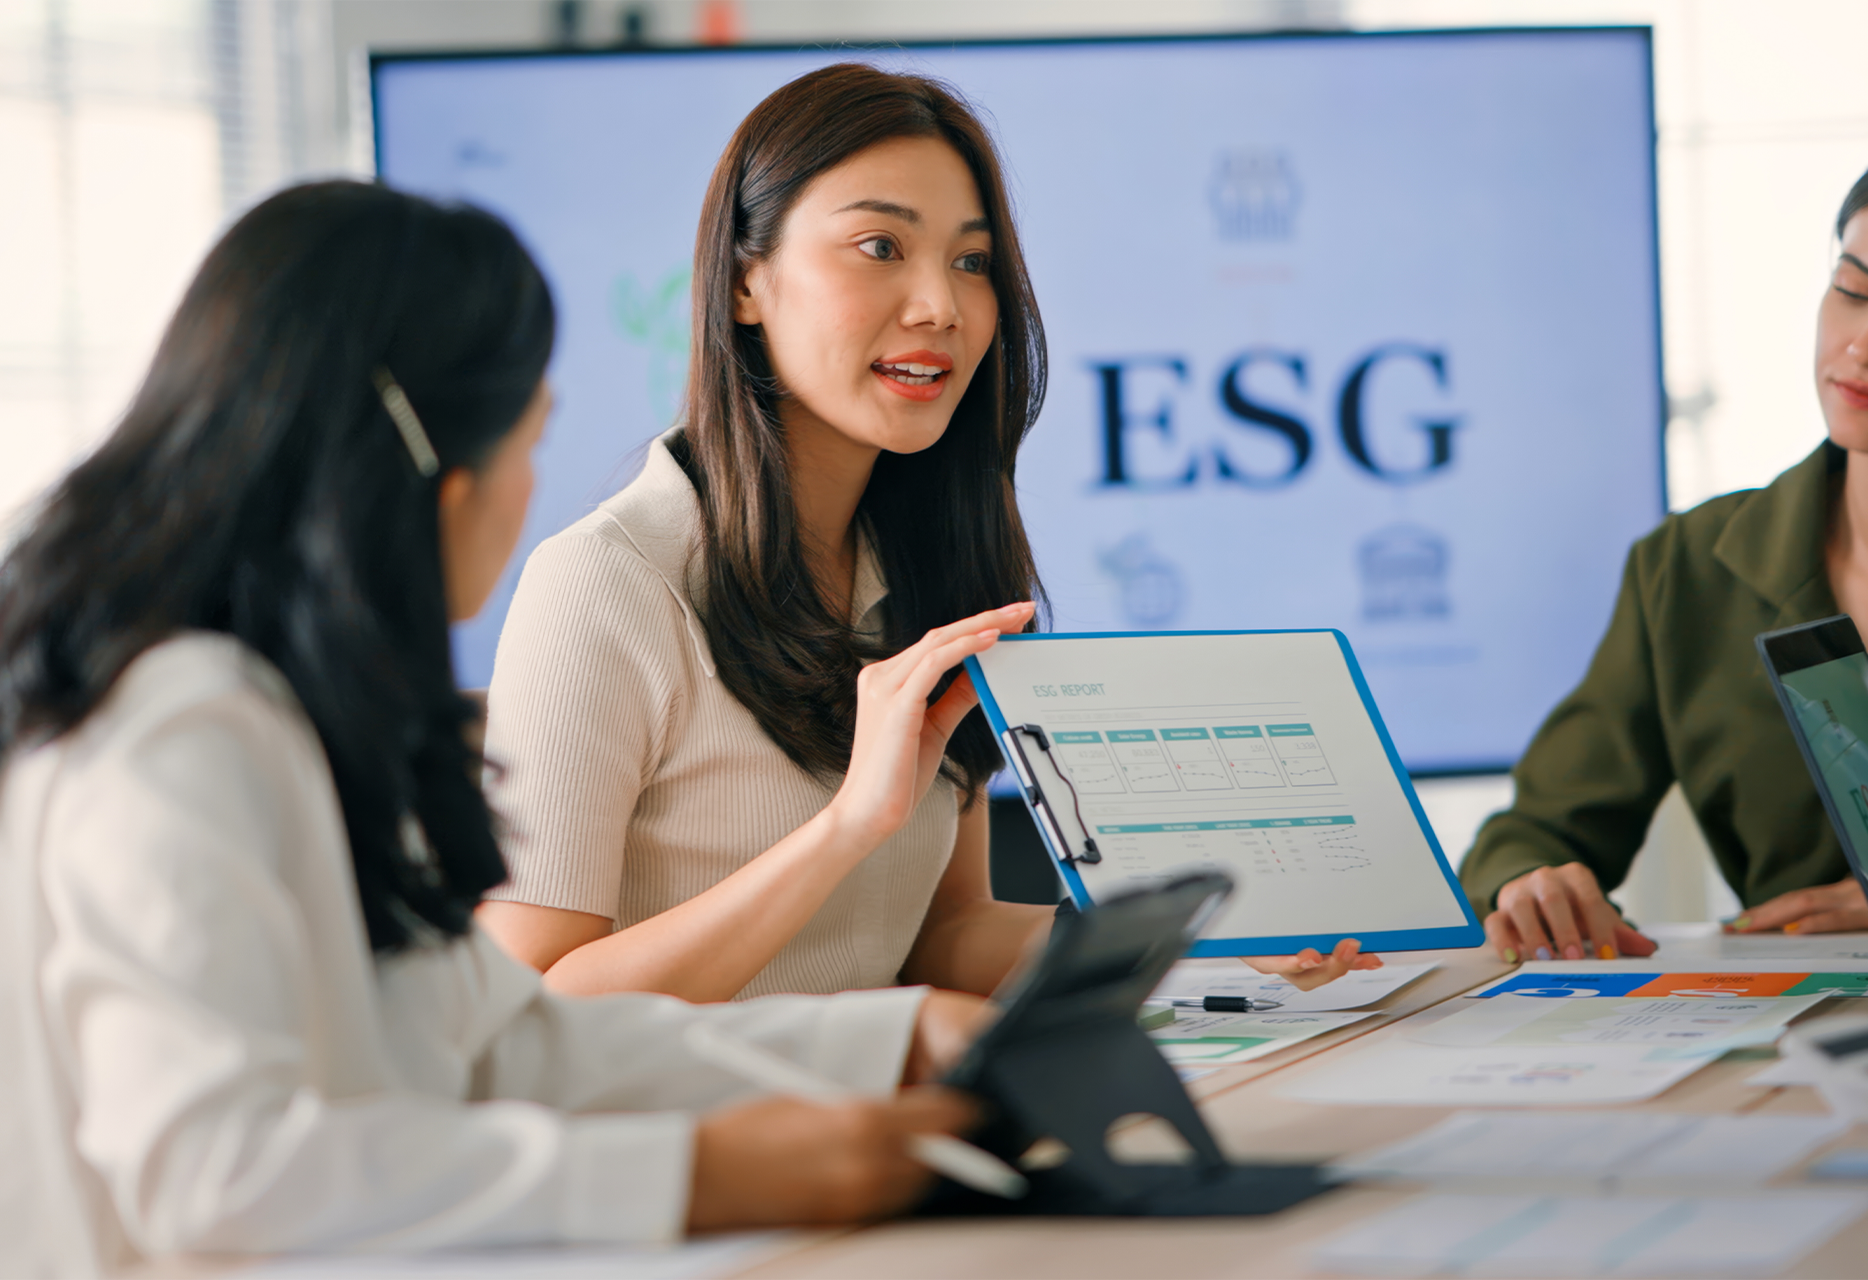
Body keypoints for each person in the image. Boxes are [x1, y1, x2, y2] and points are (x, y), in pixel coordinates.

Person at [0, 181, 984, 1279]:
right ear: (433, 480)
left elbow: (495, 1040)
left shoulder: (278, 709)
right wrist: (701, 1170)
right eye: (526, 444)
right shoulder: (179, 724)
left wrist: (895, 1042)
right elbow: (218, 1174)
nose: (530, 494)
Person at [478, 62, 1378, 1003]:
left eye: (971, 261)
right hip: (702, 1137)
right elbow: (534, 1004)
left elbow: (942, 937)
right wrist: (847, 828)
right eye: (879, 246)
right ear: (748, 282)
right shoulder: (607, 582)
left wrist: (1204, 937)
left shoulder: (925, 562)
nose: (940, 307)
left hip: (881, 1109)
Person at [1463, 166, 1868, 961]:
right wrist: (1532, 885)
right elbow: (1537, 831)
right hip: (1800, 1044)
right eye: (1852, 290)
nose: (1857, 343)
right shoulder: (1691, 568)